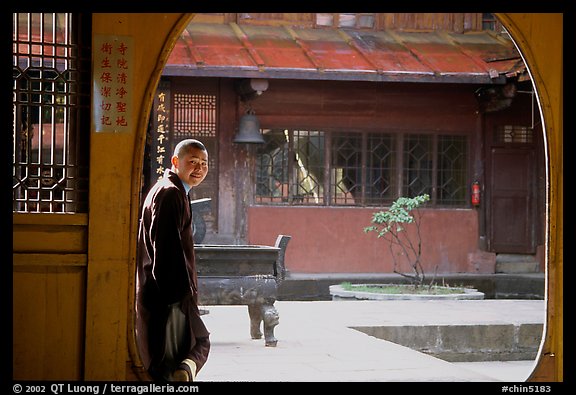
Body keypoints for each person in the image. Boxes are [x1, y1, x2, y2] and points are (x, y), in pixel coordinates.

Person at [135, 138, 210, 382]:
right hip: (169, 297)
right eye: (192, 162)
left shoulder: (176, 190)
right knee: (171, 362)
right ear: (176, 162)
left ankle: (185, 368)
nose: (198, 168)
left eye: (204, 163)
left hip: (172, 295)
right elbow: (166, 253)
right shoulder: (170, 193)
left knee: (194, 346)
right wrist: (180, 300)